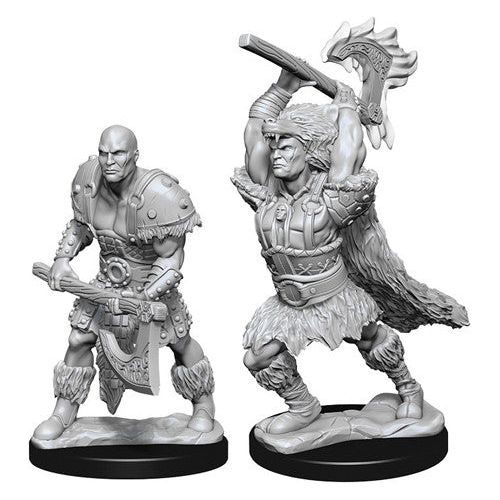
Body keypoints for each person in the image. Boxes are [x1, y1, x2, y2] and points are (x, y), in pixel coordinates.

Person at [232, 70, 468, 435]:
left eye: (286, 147)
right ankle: (303, 407)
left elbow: (349, 149)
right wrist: (283, 88)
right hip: (289, 302)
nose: (276, 154)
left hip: (336, 296)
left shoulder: (331, 193)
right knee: (258, 358)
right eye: (274, 147)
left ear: (309, 151)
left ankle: (408, 387)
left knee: (372, 340)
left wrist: (345, 107)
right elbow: (253, 133)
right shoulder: (267, 192)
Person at [34, 125, 215, 440]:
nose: (109, 161)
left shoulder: (160, 196)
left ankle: (203, 404)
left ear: (135, 155)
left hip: (149, 288)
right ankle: (64, 410)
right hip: (104, 286)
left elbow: (171, 259)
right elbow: (80, 226)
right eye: (103, 153)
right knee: (78, 340)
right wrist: (63, 259)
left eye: (118, 153)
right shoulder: (88, 181)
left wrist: (146, 297)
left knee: (180, 341)